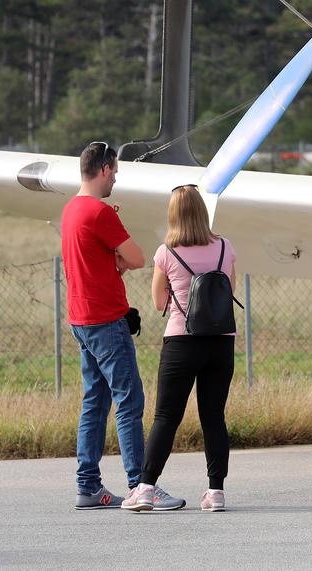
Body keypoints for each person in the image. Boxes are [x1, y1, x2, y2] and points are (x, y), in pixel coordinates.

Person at [63, 142, 178, 510]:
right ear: (106, 169)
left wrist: (114, 257)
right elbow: (138, 257)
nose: (116, 178)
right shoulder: (100, 213)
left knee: (95, 401)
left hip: (81, 318)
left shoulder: (70, 209)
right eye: (115, 172)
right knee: (129, 400)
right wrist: (119, 255)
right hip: (106, 319)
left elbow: (103, 258)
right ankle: (139, 485)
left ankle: (88, 485)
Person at [125, 184, 238, 513]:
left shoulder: (165, 253)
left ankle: (145, 487)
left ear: (172, 215)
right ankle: (215, 491)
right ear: (203, 211)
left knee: (166, 417)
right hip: (220, 342)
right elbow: (228, 291)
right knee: (213, 417)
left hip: (181, 342)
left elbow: (159, 301)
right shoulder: (225, 247)